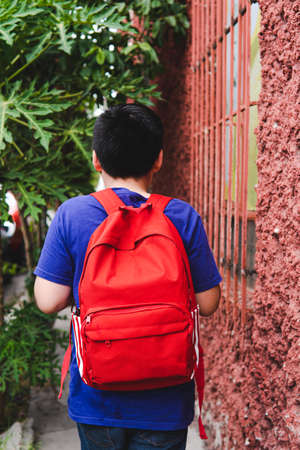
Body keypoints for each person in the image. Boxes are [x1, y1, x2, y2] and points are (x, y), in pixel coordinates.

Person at [34, 103, 222, 450]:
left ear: (96, 160)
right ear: (159, 159)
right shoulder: (181, 216)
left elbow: (48, 301)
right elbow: (208, 303)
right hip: (166, 402)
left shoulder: (72, 214)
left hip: (97, 399)